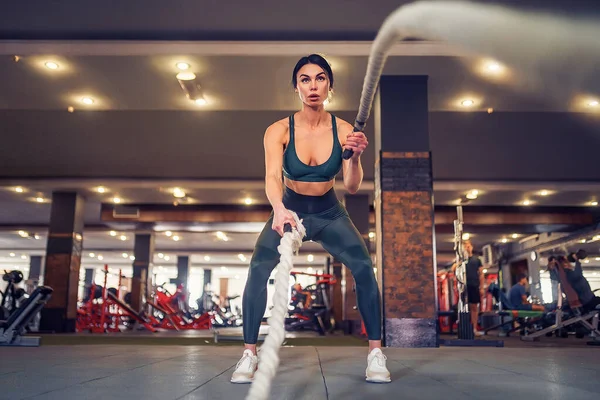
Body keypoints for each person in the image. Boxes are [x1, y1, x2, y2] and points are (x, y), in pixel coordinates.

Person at [230, 54, 390, 384]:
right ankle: (249, 354)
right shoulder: (278, 130)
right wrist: (278, 208)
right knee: (259, 267)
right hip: (289, 209)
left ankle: (376, 352)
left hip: (330, 212)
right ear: (297, 87)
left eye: (320, 78)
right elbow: (272, 176)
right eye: (305, 79)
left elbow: (352, 185)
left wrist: (356, 156)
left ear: (329, 85)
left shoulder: (345, 129)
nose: (313, 85)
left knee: (363, 266)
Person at [452, 239, 486, 336]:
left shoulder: (477, 260)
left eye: (468, 246)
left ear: (471, 247)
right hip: (464, 287)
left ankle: (474, 329)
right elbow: (453, 269)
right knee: (463, 307)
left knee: (474, 307)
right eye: (465, 246)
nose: (467, 247)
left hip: (474, 286)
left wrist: (482, 287)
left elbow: (481, 274)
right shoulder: (461, 260)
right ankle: (464, 328)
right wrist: (457, 264)